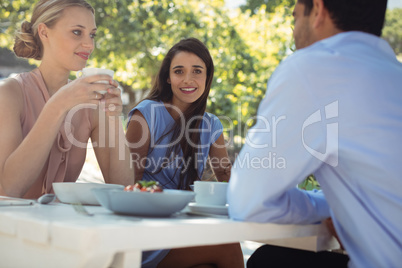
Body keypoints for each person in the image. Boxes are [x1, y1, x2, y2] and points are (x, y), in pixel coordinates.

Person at [227, 0, 402, 268]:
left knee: (267, 262)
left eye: (295, 18)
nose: (294, 31)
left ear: (318, 11)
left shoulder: (314, 66)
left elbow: (248, 201)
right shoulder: (393, 73)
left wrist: (329, 208)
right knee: (271, 259)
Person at [126, 38, 243, 268]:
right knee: (228, 247)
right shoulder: (146, 114)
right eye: (179, 71)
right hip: (146, 233)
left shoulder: (211, 125)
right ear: (168, 78)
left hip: (184, 229)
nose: (188, 80)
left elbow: (225, 176)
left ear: (207, 77)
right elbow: (128, 182)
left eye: (197, 71)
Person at [0, 0, 133, 199]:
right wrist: (58, 105)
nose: (89, 44)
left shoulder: (90, 102)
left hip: (61, 226)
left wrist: (113, 117)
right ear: (44, 32)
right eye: (77, 32)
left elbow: (124, 189)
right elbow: (9, 189)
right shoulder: (10, 94)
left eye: (92, 34)